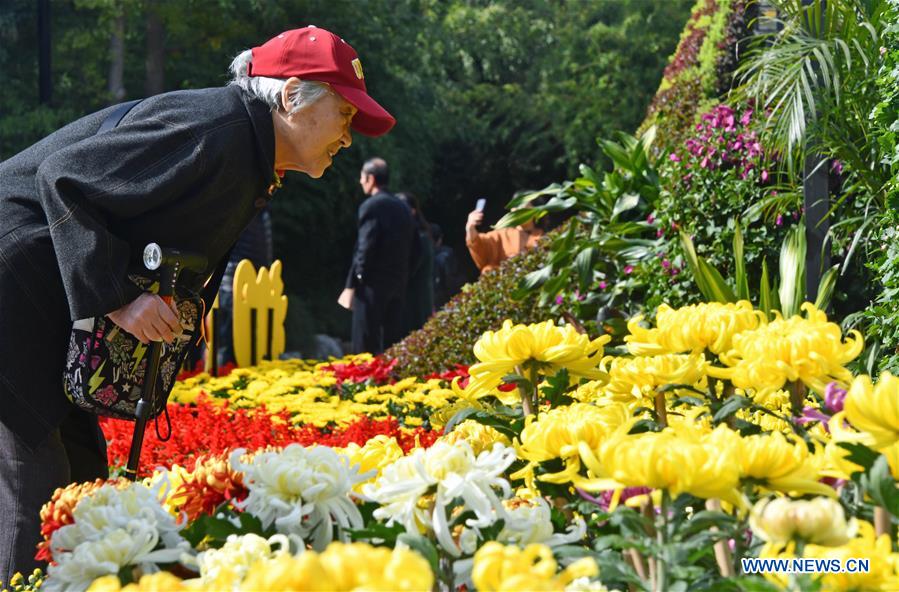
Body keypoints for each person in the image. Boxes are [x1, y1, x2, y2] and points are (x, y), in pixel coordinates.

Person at [0, 25, 395, 580]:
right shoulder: (215, 129)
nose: (349, 138)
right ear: (290, 96)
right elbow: (63, 178)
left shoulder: (245, 146)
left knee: (82, 478)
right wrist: (120, 302)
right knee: (36, 479)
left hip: (40, 288)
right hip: (13, 277)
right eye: (345, 117)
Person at [338, 158, 415, 354]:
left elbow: (365, 247)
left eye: (362, 178)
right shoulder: (404, 208)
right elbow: (415, 249)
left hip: (372, 284)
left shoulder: (371, 206)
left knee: (365, 344)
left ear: (371, 179)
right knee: (393, 345)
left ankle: (365, 384)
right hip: (398, 284)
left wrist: (356, 281)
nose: (360, 181)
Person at [465, 198, 545, 273]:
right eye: (515, 207)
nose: (518, 210)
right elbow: (478, 244)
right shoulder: (502, 234)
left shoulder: (544, 236)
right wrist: (470, 227)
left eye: (523, 207)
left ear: (535, 210)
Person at [395, 191, 434, 333]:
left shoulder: (419, 237)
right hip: (415, 299)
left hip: (415, 301)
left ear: (412, 211)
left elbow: (411, 269)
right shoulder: (421, 234)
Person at [430, 222, 464, 308]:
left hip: (435, 300)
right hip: (449, 296)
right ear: (441, 237)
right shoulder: (447, 253)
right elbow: (452, 278)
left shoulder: (425, 258)